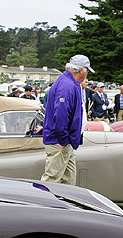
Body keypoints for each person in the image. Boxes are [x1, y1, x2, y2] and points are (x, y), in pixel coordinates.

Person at [41, 54, 92, 186]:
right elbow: (61, 114)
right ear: (81, 70)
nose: (86, 75)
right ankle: (44, 205)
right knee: (52, 179)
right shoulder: (67, 85)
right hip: (60, 140)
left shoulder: (69, 83)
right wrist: (63, 139)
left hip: (65, 140)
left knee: (68, 181)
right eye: (87, 71)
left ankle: (65, 205)